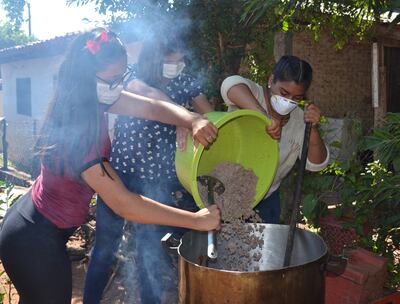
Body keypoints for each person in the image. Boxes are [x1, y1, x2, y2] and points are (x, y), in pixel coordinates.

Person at [0, 28, 221, 304]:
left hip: (33, 224)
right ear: (86, 77)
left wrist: (190, 119)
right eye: (113, 78)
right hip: (32, 240)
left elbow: (151, 107)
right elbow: (125, 204)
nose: (120, 85)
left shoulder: (93, 97)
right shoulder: (79, 131)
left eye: (122, 76)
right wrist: (195, 220)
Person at [83, 34, 214, 304]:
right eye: (170, 60)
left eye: (181, 61)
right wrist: (181, 114)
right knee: (105, 248)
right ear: (155, 58)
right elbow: (152, 100)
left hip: (159, 179)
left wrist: (194, 120)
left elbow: (210, 117)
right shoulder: (129, 77)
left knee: (150, 251)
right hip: (119, 173)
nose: (176, 66)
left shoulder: (187, 83)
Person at [220, 55, 329, 224]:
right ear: (271, 80)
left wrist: (313, 128)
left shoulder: (301, 121)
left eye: (297, 98)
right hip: (225, 192)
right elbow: (230, 85)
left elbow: (316, 164)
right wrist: (263, 117)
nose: (289, 101)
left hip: (266, 199)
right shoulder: (254, 93)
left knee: (264, 248)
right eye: (284, 93)